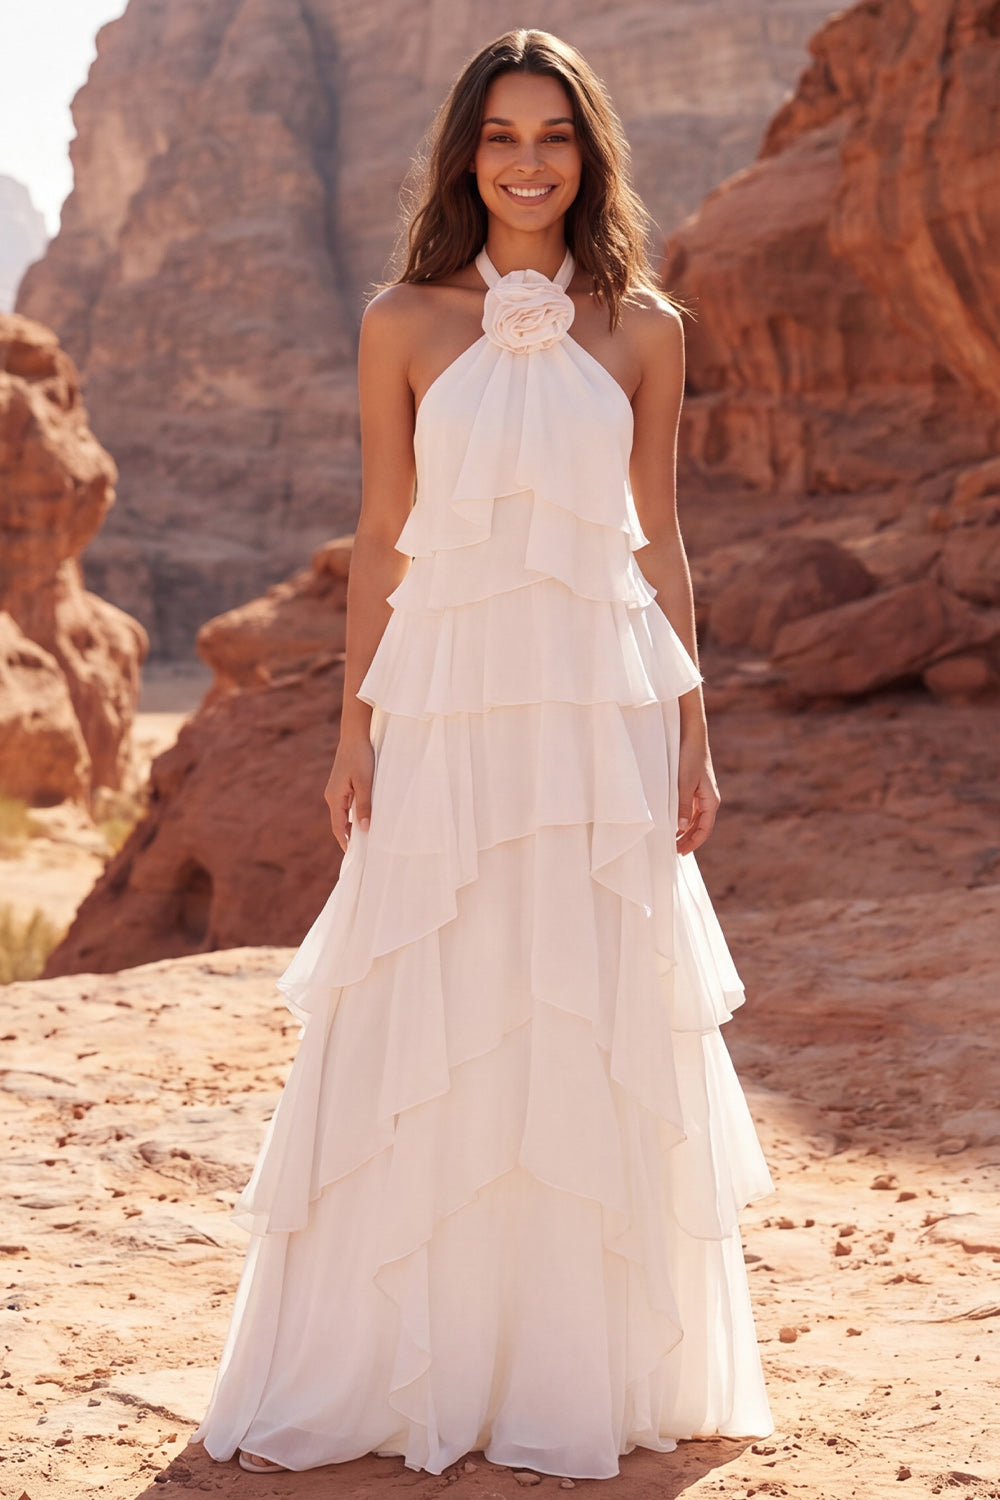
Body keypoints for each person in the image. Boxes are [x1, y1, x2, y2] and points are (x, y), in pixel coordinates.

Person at [193, 27, 774, 1481]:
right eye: (503, 135)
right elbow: (384, 529)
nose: (528, 162)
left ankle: (573, 1367)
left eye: (555, 136)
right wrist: (356, 727)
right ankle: (413, 1363)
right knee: (439, 993)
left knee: (582, 1001)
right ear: (465, 154)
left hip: (594, 709)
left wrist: (692, 725)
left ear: (589, 157)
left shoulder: (646, 328)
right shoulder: (401, 319)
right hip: (449, 703)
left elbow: (660, 538)